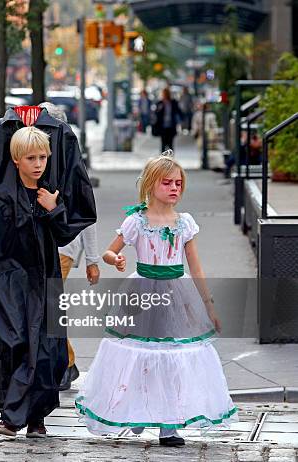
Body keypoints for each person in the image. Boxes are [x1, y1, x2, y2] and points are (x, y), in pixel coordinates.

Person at [75, 153, 237, 447]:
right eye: (167, 183)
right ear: (151, 184)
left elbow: (196, 267)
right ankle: (139, 410)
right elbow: (110, 252)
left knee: (174, 357)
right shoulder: (136, 221)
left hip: (177, 291)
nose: (175, 188)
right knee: (138, 356)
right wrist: (117, 259)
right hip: (141, 293)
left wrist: (208, 305)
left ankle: (169, 425)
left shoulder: (185, 223)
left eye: (179, 183)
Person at [0, 123, 96, 439]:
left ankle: (36, 417)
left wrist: (54, 209)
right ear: (16, 159)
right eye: (31, 158)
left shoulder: (49, 194)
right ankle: (10, 415)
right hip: (5, 277)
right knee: (13, 342)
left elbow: (64, 235)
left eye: (43, 158)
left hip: (44, 277)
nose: (38, 164)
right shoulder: (0, 195)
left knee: (47, 348)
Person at [38, 101, 100, 391]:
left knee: (49, 306)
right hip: (42, 246)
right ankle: (65, 363)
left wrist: (92, 258)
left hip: (63, 248)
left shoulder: (68, 165)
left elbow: (87, 214)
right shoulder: (37, 159)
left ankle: (66, 363)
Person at [153, 88, 182, 152]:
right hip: (162, 126)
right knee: (163, 144)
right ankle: (163, 159)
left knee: (170, 144)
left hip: (171, 126)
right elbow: (156, 114)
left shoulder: (173, 102)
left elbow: (179, 111)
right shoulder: (160, 103)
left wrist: (180, 121)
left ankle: (170, 159)